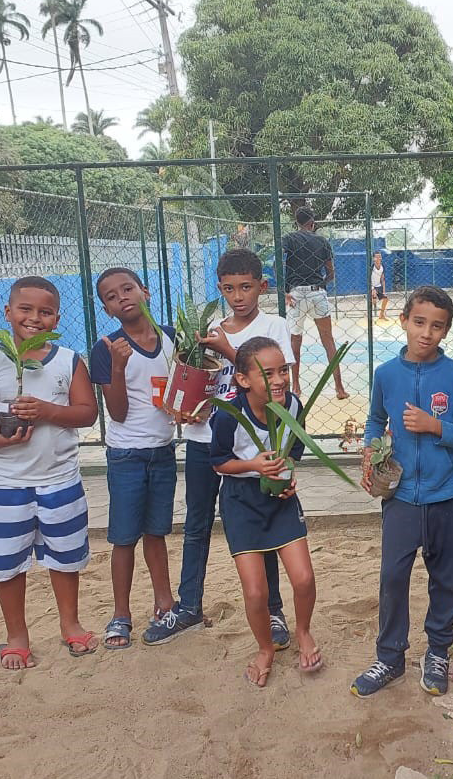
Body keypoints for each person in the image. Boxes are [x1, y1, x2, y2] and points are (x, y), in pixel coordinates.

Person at [0, 276, 100, 669]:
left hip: (59, 479)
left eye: (45, 312)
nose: (34, 318)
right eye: (25, 309)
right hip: (3, 483)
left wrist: (49, 411)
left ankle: (70, 624)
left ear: (56, 318)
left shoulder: (69, 360)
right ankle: (16, 635)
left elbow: (87, 412)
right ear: (8, 313)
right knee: (6, 562)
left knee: (65, 559)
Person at [146, 248, 294, 646]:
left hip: (251, 446)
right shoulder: (211, 327)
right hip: (203, 439)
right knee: (196, 525)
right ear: (220, 288)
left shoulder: (274, 327)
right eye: (229, 288)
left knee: (262, 528)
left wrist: (230, 350)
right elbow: (199, 379)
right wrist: (188, 409)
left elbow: (281, 389)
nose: (238, 296)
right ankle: (189, 606)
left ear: (261, 286)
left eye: (246, 287)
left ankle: (274, 611)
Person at [352, 285, 453, 698]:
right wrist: (371, 449)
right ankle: (389, 657)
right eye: (420, 322)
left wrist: (435, 427)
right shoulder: (386, 375)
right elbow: (375, 421)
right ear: (404, 319)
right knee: (392, 577)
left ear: (446, 331)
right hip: (401, 500)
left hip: (448, 497)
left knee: (447, 580)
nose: (427, 333)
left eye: (438, 326)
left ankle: (438, 652)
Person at [210, 338, 322, 686]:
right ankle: (265, 649)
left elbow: (294, 452)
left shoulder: (294, 405)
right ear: (243, 380)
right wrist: (253, 465)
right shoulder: (229, 415)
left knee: (303, 578)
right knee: (256, 591)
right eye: (267, 373)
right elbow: (218, 463)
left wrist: (288, 477)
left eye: (283, 371)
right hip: (241, 502)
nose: (279, 380)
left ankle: (303, 631)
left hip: (280, 501)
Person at [88, 268, 178, 649]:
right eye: (111, 296)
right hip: (127, 455)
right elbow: (119, 413)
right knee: (124, 538)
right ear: (107, 309)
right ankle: (120, 614)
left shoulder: (173, 338)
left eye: (128, 288)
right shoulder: (107, 347)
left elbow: (180, 391)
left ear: (145, 291)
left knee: (156, 532)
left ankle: (165, 603)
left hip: (163, 450)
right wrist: (120, 368)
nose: (122, 297)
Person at [283, 207, 349, 399]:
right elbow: (331, 272)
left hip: (295, 294)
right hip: (317, 292)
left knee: (295, 340)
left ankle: (296, 387)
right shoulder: (322, 241)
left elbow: (279, 261)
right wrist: (322, 283)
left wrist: (285, 291)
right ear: (313, 223)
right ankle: (339, 388)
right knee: (328, 341)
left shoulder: (289, 239)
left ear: (296, 222)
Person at [371, 250, 391, 321]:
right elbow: (368, 279)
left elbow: (383, 279)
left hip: (379, 286)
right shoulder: (372, 267)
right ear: (373, 258)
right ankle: (370, 314)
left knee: (386, 299)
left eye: (380, 257)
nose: (379, 258)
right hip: (372, 286)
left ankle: (381, 315)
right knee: (373, 299)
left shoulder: (382, 267)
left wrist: (384, 290)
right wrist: (372, 289)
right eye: (377, 257)